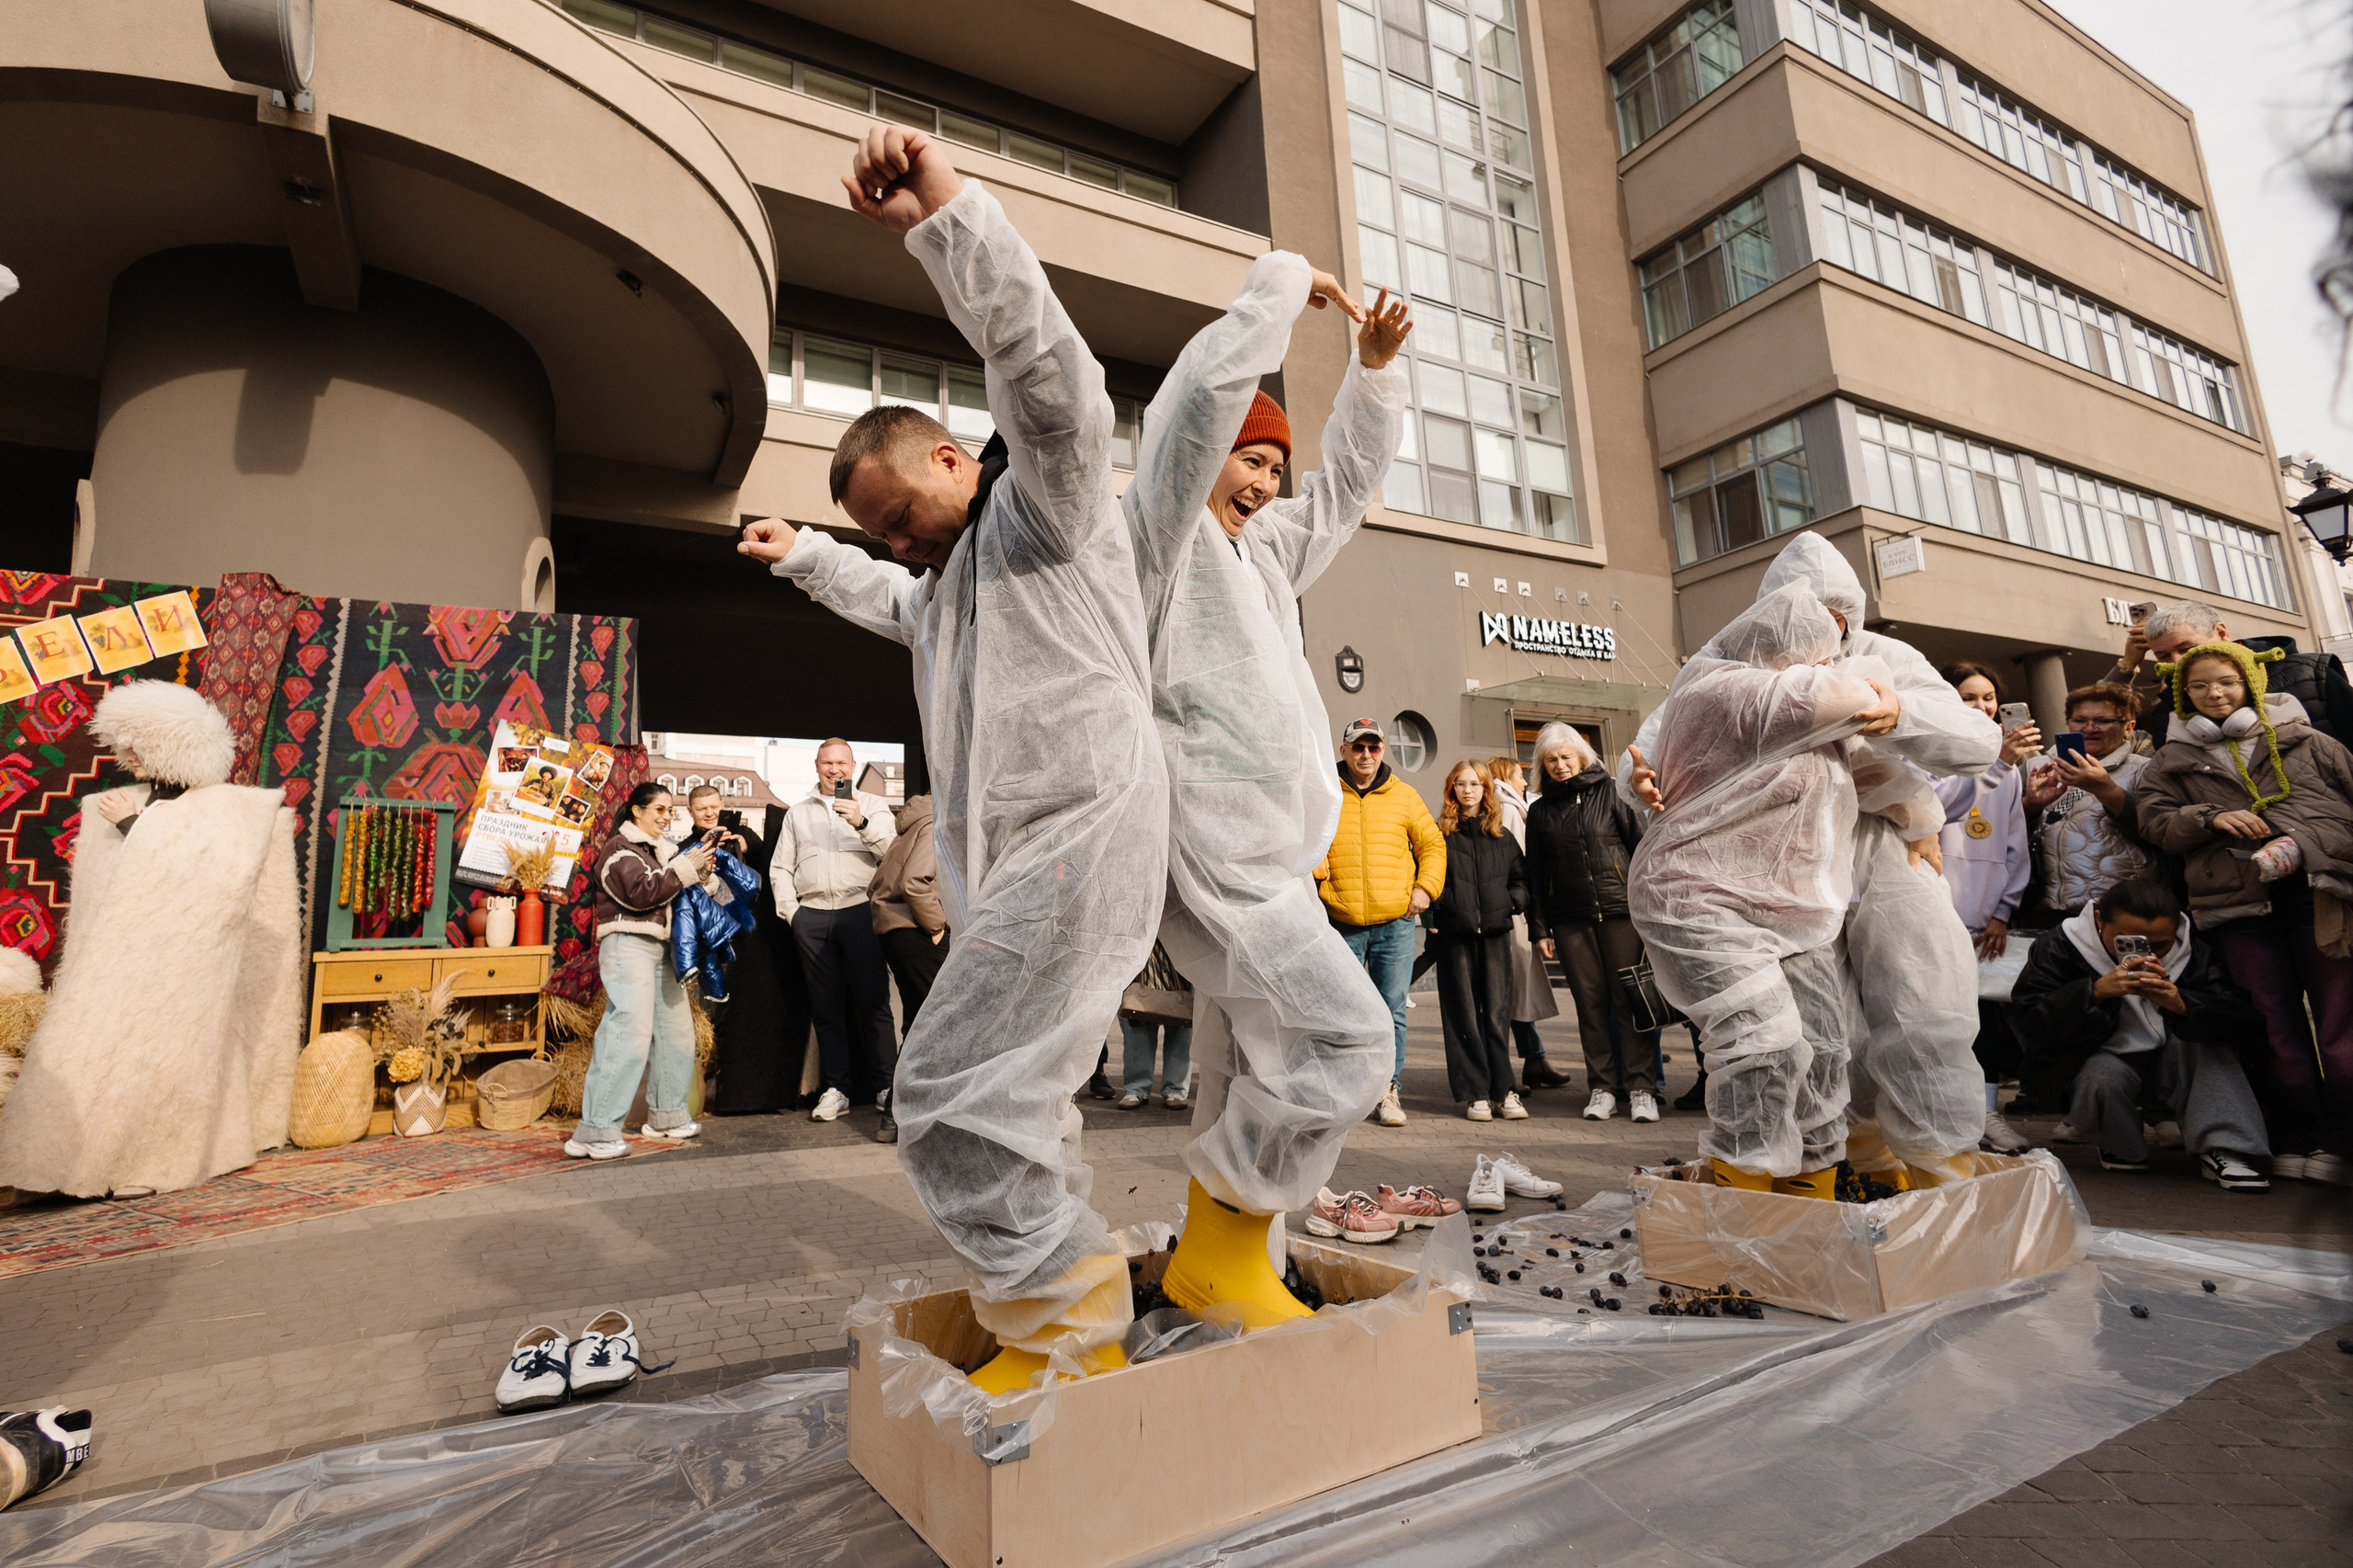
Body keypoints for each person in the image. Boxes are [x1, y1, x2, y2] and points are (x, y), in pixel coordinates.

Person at [739, 126, 1167, 1392]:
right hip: (1019, 861)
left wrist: (950, 223)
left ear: (949, 457)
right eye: (880, 536)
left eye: (901, 517)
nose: (901, 545)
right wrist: (807, 557)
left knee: (941, 1090)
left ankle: (1070, 1317)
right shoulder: (945, 587)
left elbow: (1050, 376)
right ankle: (1064, 1313)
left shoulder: (1046, 509)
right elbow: (890, 597)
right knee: (1004, 1097)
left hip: (1078, 837)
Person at [1118, 246, 1408, 1328]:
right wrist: (1282, 285)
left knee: (1247, 1059)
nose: (1263, 482)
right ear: (1200, 454)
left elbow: (1343, 492)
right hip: (1217, 853)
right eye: (1246, 458)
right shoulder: (1161, 536)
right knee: (1348, 1039)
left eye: (1273, 467)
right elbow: (1194, 404)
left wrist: (1371, 372)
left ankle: (1244, 1269)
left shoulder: (1261, 551)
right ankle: (1220, 1251)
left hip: (1266, 856)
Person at [1632, 533, 1999, 1187]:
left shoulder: (1886, 657)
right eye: (1809, 613)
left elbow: (1977, 740)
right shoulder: (1739, 658)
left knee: (1925, 1002)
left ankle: (1940, 1162)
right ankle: (1841, 1155)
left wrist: (1898, 714)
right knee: (1820, 1026)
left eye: (1837, 618)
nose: (1825, 629)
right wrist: (1644, 780)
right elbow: (1658, 742)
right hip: (1778, 858)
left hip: (1881, 843)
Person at [0, 682, 302, 1199]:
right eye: (124, 747)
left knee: (162, 1059)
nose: (128, 757)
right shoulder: (119, 802)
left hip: (185, 964)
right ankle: (63, 1161)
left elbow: (216, 880)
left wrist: (133, 827)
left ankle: (146, 1158)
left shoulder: (227, 809)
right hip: (121, 959)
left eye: (138, 747)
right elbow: (104, 889)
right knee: (93, 1051)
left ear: (172, 746)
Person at [2136, 640, 2353, 1186]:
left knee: (2340, 1026)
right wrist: (2208, 818)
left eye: (2227, 682)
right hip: (2237, 909)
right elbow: (2154, 823)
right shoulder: (2170, 759)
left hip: (2317, 896)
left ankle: (2344, 1142)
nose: (2214, 694)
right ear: (2184, 696)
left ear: (2251, 684)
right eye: (2199, 685)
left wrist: (2302, 841)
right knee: (2273, 1029)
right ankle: (2297, 1135)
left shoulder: (2310, 741)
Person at [2006, 880, 2270, 1190]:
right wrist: (2093, 993)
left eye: (2161, 944)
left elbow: (2246, 1022)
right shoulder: (2060, 945)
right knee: (2102, 1074)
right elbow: (2029, 1021)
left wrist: (2184, 1004)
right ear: (2099, 920)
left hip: (2174, 1058)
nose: (2148, 952)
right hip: (2102, 1057)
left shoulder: (2194, 949)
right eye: (2127, 941)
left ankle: (2226, 1147)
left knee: (2206, 1045)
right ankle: (2118, 1143)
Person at [567, 781, 714, 1159]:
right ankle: (595, 1130)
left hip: (663, 950)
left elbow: (674, 892)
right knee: (626, 1034)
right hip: (628, 945)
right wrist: (685, 868)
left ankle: (667, 1115)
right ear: (636, 810)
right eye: (659, 809)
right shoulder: (619, 849)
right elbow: (642, 892)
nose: (666, 817)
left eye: (670, 810)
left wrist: (702, 874)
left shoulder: (662, 852)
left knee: (677, 1033)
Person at [1522, 723, 1660, 1122]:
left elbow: (1641, 848)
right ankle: (1601, 1088)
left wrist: (1650, 907)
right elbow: (1535, 874)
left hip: (1620, 912)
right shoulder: (1540, 811)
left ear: (1582, 757)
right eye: (1551, 760)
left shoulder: (1613, 791)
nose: (1560, 765)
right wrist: (1540, 928)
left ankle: (1641, 1088)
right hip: (1569, 919)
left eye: (1566, 757)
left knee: (1630, 1002)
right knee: (1590, 1005)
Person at [1316, 718, 1446, 1128]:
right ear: (1344, 750)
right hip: (1342, 922)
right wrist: (1317, 870)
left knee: (1392, 1011)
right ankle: (1350, 1093)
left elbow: (1433, 844)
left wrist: (1425, 889)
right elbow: (1305, 838)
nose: (1366, 755)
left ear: (1383, 750)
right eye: (1358, 747)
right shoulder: (1325, 793)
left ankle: (1387, 1091)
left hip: (1396, 923)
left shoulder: (1404, 796)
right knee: (1344, 1013)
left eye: (1373, 747)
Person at [1937, 662, 2039, 1153]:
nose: (1982, 707)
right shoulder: (1929, 754)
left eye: (1989, 698)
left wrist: (2003, 911)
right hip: (1931, 915)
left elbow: (2015, 843)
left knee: (1984, 1021)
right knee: (1938, 1021)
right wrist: (1996, 763)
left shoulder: (2010, 769)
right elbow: (1936, 809)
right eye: (1968, 697)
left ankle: (1985, 1116)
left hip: (1984, 921)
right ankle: (1942, 1117)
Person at [770, 739, 897, 1125]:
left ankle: (887, 1087)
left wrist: (860, 822)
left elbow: (893, 855)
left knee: (873, 1003)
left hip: (859, 910)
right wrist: (793, 914)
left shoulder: (873, 805)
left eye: (841, 763)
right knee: (825, 1008)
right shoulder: (798, 813)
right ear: (817, 766)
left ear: (853, 766)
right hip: (812, 916)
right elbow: (780, 867)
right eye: (827, 763)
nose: (834, 769)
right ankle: (837, 1088)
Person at [1428, 761, 1529, 1120]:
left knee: (1497, 1016)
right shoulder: (1440, 835)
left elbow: (1521, 881)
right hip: (1455, 937)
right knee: (1463, 1017)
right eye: (1460, 784)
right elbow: (1429, 878)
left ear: (1486, 789)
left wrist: (1511, 902)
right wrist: (1444, 909)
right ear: (1451, 789)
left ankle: (1505, 1091)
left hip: (1496, 935)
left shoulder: (1502, 837)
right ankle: (1476, 1094)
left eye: (1475, 784)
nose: (1467, 790)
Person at [2108, 600, 2353, 747]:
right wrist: (2128, 663)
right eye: (2163, 656)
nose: (2179, 662)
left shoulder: (2313, 673)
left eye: (2187, 649)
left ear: (2222, 633)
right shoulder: (2170, 708)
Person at [698, 789, 800, 1119]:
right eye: (701, 808)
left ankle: (727, 1084)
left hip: (741, 942)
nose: (709, 813)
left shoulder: (746, 836)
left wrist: (746, 847)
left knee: (732, 1014)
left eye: (713, 807)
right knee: (707, 1016)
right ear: (691, 812)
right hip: (707, 941)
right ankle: (705, 1085)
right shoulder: (689, 845)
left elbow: (765, 868)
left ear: (723, 807)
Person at [2024, 683, 2157, 921]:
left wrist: (2105, 789)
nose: (2089, 728)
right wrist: (2031, 806)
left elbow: (2157, 833)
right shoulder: (2037, 767)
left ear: (2129, 727)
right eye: (2079, 720)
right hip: (2046, 908)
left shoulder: (2146, 769)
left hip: (2119, 911)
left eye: (2103, 721)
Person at [868, 790, 948, 1143]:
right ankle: (915, 1116)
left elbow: (876, 883)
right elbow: (915, 881)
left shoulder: (912, 823)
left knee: (919, 1022)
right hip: (916, 931)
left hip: (896, 932)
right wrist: (938, 926)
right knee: (939, 1022)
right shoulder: (933, 823)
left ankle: (896, 1118)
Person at [1484, 755, 1567, 1088]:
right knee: (1511, 989)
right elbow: (1519, 862)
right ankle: (1516, 1065)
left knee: (1515, 990)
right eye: (1520, 775)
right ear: (1506, 778)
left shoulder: (1506, 806)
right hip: (1513, 913)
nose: (1524, 782)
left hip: (1511, 911)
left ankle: (1535, 1058)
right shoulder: (1509, 809)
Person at [1116, 943, 1192, 1110]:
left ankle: (1175, 1088)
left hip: (1181, 951)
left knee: (1182, 1029)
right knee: (1137, 1028)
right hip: (1142, 952)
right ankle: (1136, 1088)